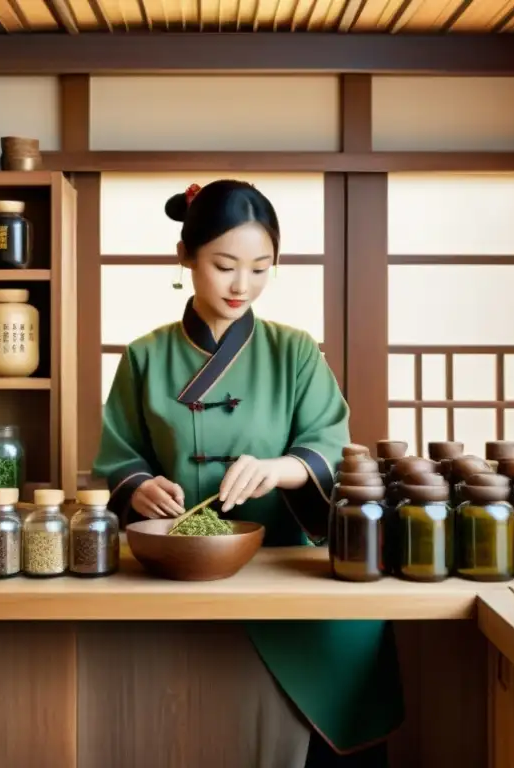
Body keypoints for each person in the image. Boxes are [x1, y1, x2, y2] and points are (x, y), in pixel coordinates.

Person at [93, 179, 403, 767]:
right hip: (179, 572)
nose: (242, 286)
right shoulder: (144, 355)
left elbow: (330, 448)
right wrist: (139, 487)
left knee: (348, 645)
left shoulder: (296, 352)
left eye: (261, 269)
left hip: (286, 567)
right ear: (185, 257)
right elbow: (118, 455)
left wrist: (279, 470)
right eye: (225, 265)